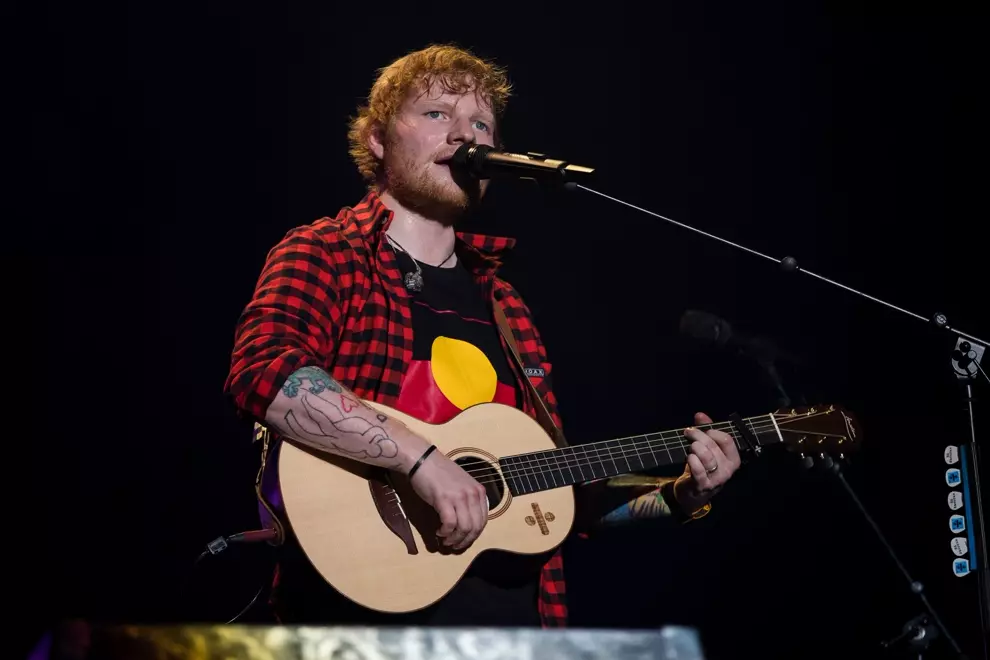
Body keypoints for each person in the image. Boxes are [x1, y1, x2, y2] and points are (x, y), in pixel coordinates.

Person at [224, 43, 741, 628]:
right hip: (361, 619)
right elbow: (267, 372)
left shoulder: (506, 306)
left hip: (508, 630)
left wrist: (678, 495)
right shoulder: (327, 252)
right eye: (437, 114)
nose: (464, 135)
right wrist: (422, 460)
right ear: (376, 139)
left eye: (481, 124)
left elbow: (554, 490)